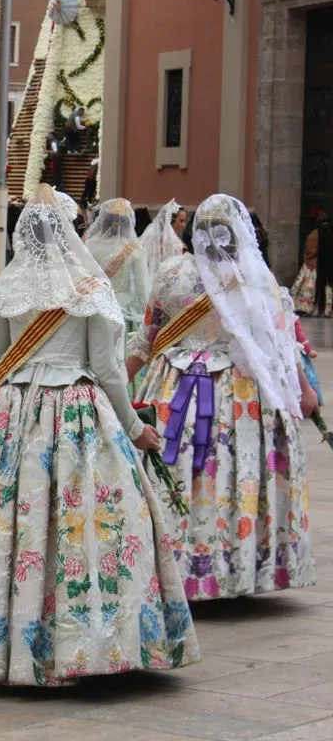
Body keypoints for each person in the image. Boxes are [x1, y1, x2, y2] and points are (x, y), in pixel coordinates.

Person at [0, 185, 200, 685]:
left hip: (10, 412)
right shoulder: (89, 287)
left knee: (2, 525)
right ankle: (82, 642)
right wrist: (135, 429)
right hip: (76, 413)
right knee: (83, 525)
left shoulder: (13, 282)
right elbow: (107, 371)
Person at [126, 194, 317, 601]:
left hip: (173, 388)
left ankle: (171, 566)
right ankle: (234, 566)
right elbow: (279, 342)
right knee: (234, 474)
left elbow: (146, 339)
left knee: (179, 472)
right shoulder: (254, 278)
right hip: (240, 398)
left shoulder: (171, 272)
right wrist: (303, 389)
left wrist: (116, 386)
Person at [84, 198, 150, 348]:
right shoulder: (134, 249)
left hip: (94, 305)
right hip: (122, 309)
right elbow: (142, 287)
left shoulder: (89, 245)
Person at [291, 210, 332, 316]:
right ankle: (323, 309)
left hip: (315, 265)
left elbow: (310, 249)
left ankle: (309, 307)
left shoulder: (315, 233)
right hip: (319, 265)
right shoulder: (322, 233)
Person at [139, 199, 185, 281]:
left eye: (184, 221)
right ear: (170, 220)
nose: (184, 225)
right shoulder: (171, 241)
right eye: (181, 221)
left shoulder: (154, 234)